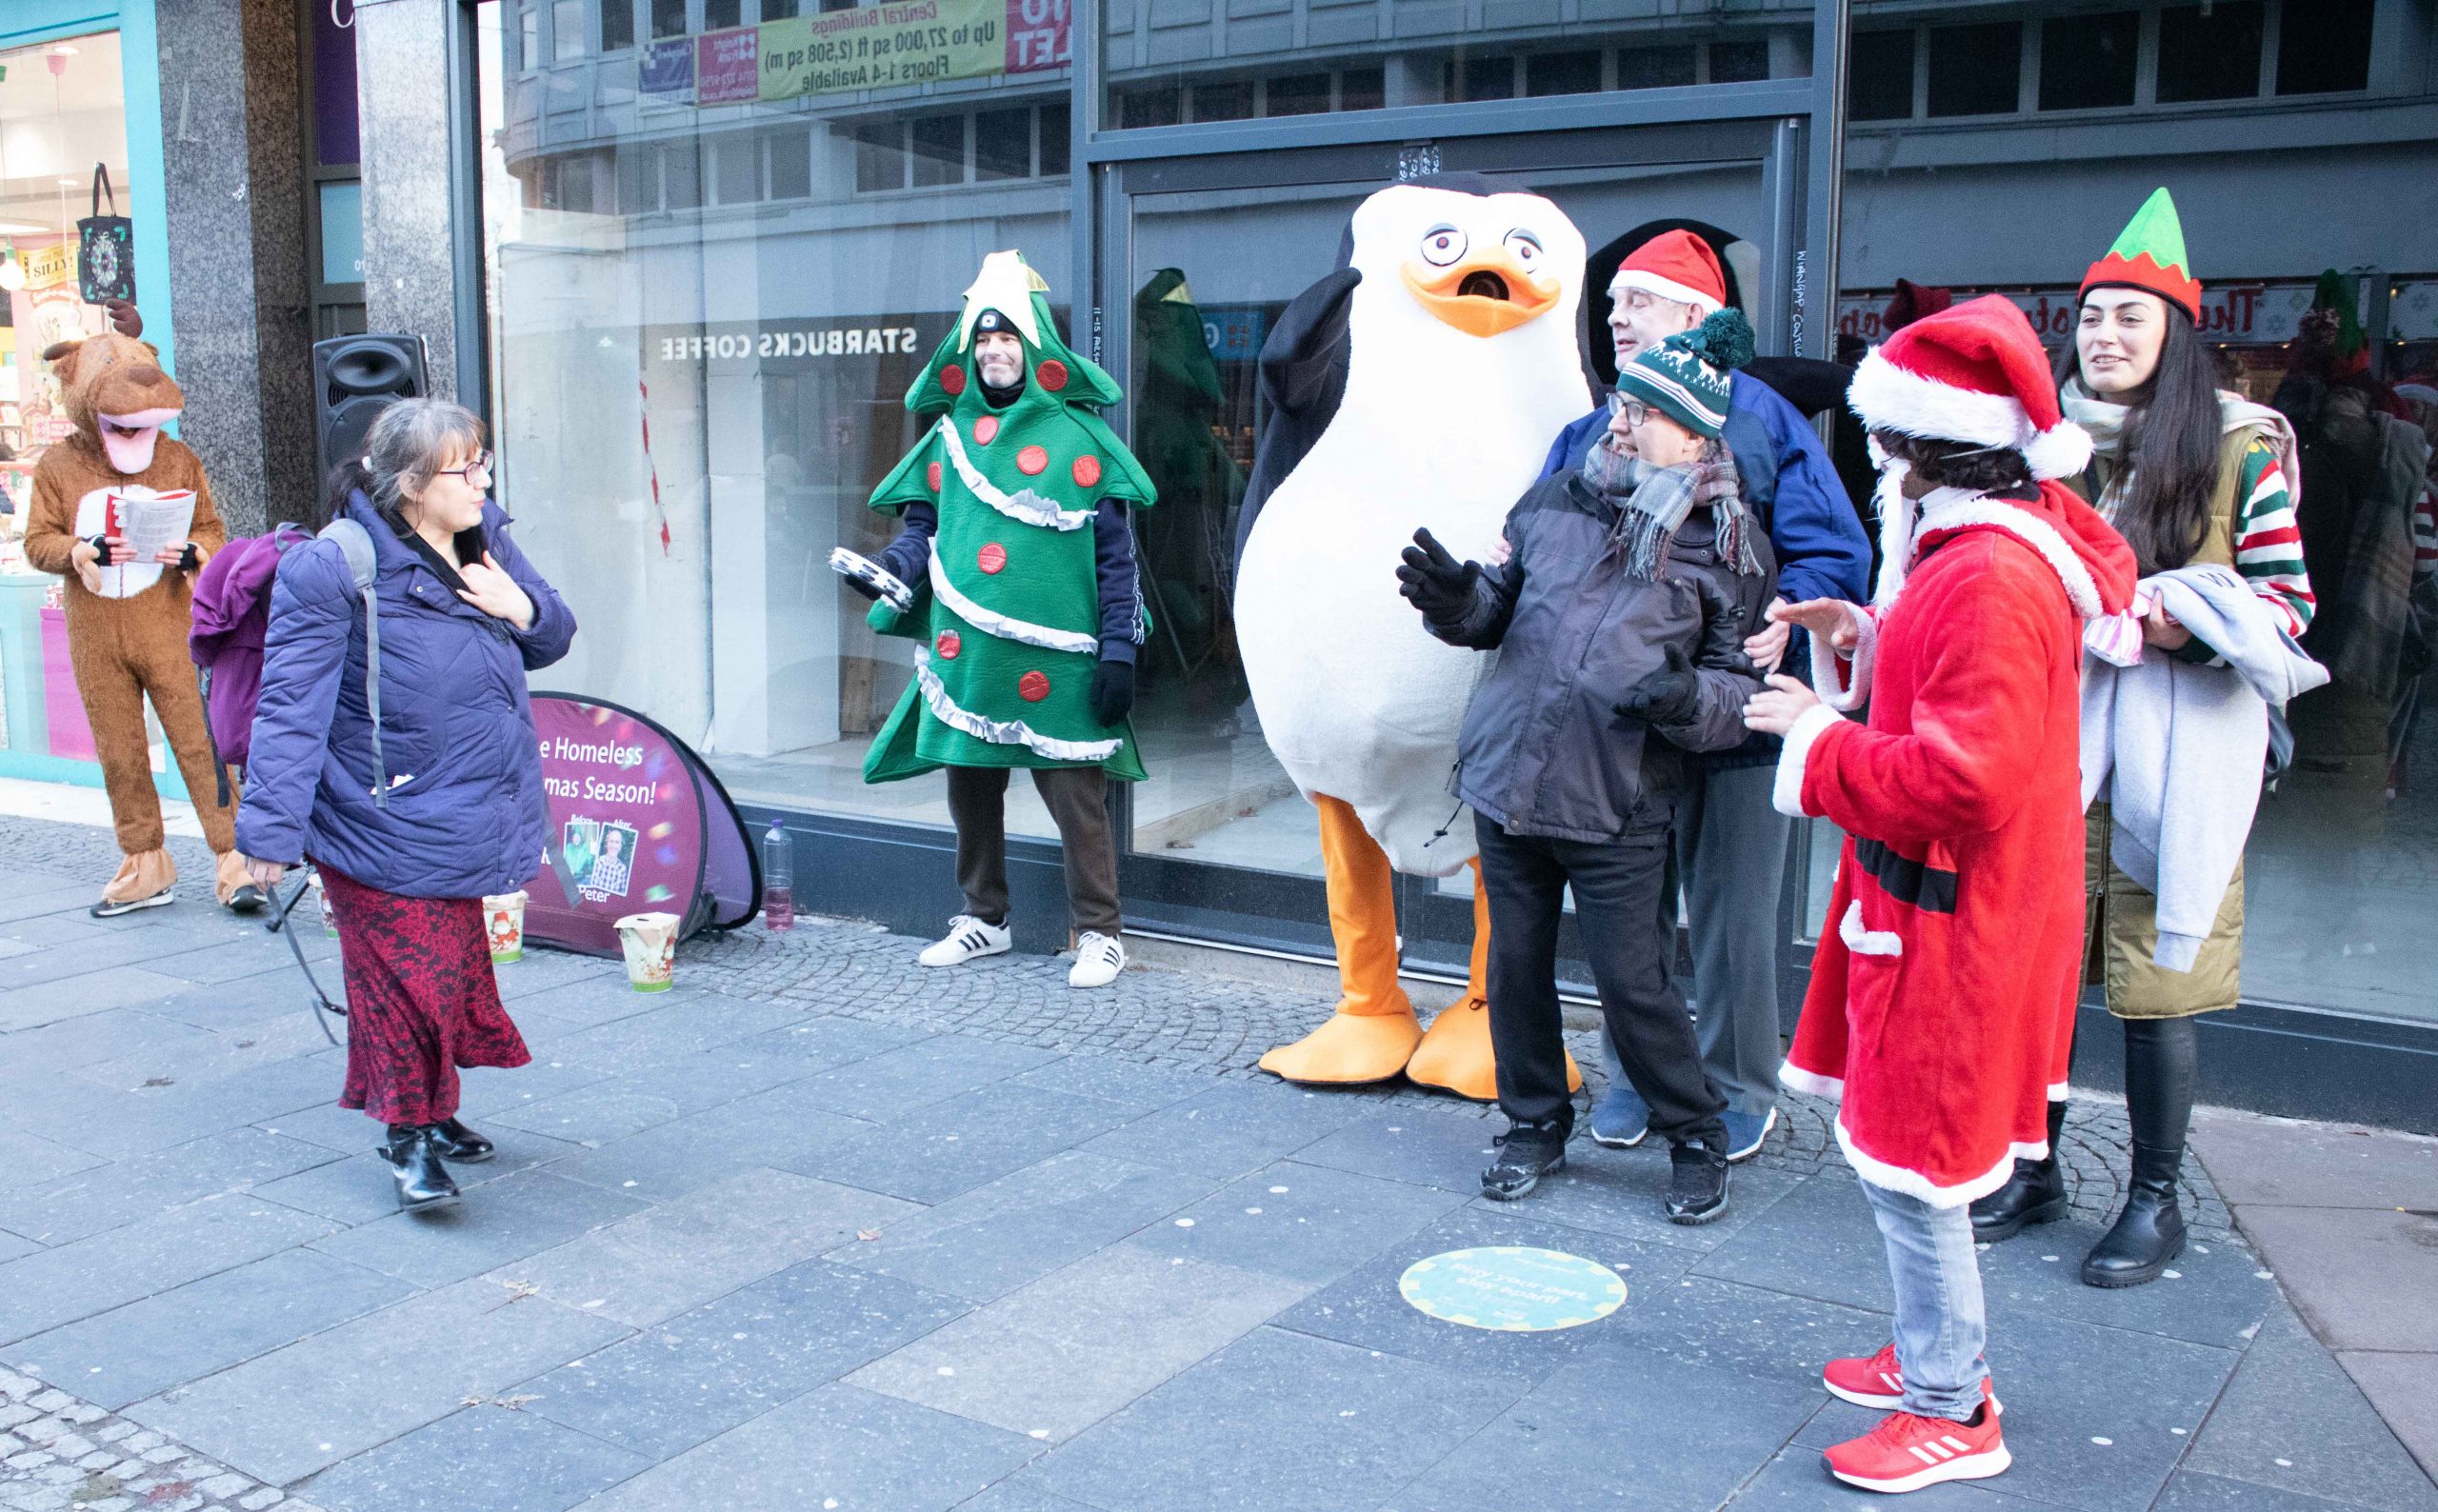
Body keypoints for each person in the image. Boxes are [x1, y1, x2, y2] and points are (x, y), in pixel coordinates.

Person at [1747, 295, 2135, 1494]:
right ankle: (1928, 1352)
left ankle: (1950, 1403)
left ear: (1916, 448)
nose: (1877, 463)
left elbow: (1965, 776)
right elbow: (1952, 699)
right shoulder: (1977, 549)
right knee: (1903, 1152)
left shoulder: (1987, 577)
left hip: (1952, 916)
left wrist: (1817, 733)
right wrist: (1857, 633)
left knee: (1917, 1162)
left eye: (1884, 442)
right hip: (1940, 906)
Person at [1967, 190, 2324, 1286]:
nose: (2105, 337)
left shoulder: (2234, 446)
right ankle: (2033, 1167)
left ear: (2174, 330)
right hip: (2057, 747)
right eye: (2091, 318)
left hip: (2184, 752)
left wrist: (2176, 627)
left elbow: (2288, 611)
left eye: (2130, 316)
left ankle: (2154, 1198)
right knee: (2042, 966)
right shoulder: (2044, 447)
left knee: (2158, 976)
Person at [1401, 311, 1772, 1223]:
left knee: (1633, 982)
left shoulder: (1727, 547)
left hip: (1618, 801)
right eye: (1622, 401)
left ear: (1693, 435)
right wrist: (1457, 603)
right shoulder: (1559, 497)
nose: (1620, 419)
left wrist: (1687, 700)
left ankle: (1696, 1132)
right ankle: (1532, 1126)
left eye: (1644, 411)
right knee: (1515, 968)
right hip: (1508, 782)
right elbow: (1498, 610)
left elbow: (1738, 693)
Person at [1540, 229, 1871, 1162]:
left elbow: (1833, 550)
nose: (1616, 320)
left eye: (1635, 303)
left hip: (1739, 707)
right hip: (1624, 716)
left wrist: (1794, 613)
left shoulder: (1763, 417)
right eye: (1610, 310)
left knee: (1731, 915)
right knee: (1624, 908)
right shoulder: (1586, 428)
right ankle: (1639, 1077)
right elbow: (1541, 542)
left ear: (1695, 318)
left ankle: (1736, 1085)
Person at [236, 399, 576, 1212]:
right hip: (375, 815)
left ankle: (438, 1108)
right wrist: (269, 834)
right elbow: (290, 708)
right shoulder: (333, 567)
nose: (484, 479)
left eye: (483, 462)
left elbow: (553, 632)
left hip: (462, 805)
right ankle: (409, 1135)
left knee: (451, 975)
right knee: (403, 983)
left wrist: (515, 607)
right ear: (413, 483)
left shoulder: (480, 536)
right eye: (468, 467)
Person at [839, 250, 1154, 990]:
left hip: (1063, 657)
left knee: (1076, 799)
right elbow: (924, 531)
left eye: (1007, 337)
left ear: (1034, 345)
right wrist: (891, 570)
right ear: (966, 351)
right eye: (982, 340)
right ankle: (985, 918)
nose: (995, 351)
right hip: (969, 651)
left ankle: (1100, 933)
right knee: (970, 786)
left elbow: (1117, 559)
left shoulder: (1081, 442)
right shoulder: (947, 438)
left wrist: (1119, 651)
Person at [19, 315, 260, 916]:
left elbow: (211, 527)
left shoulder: (177, 458)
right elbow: (36, 541)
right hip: (96, 632)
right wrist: (78, 550)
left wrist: (192, 552)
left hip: (170, 623)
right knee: (118, 749)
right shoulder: (58, 466)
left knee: (198, 738)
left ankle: (235, 858)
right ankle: (145, 859)